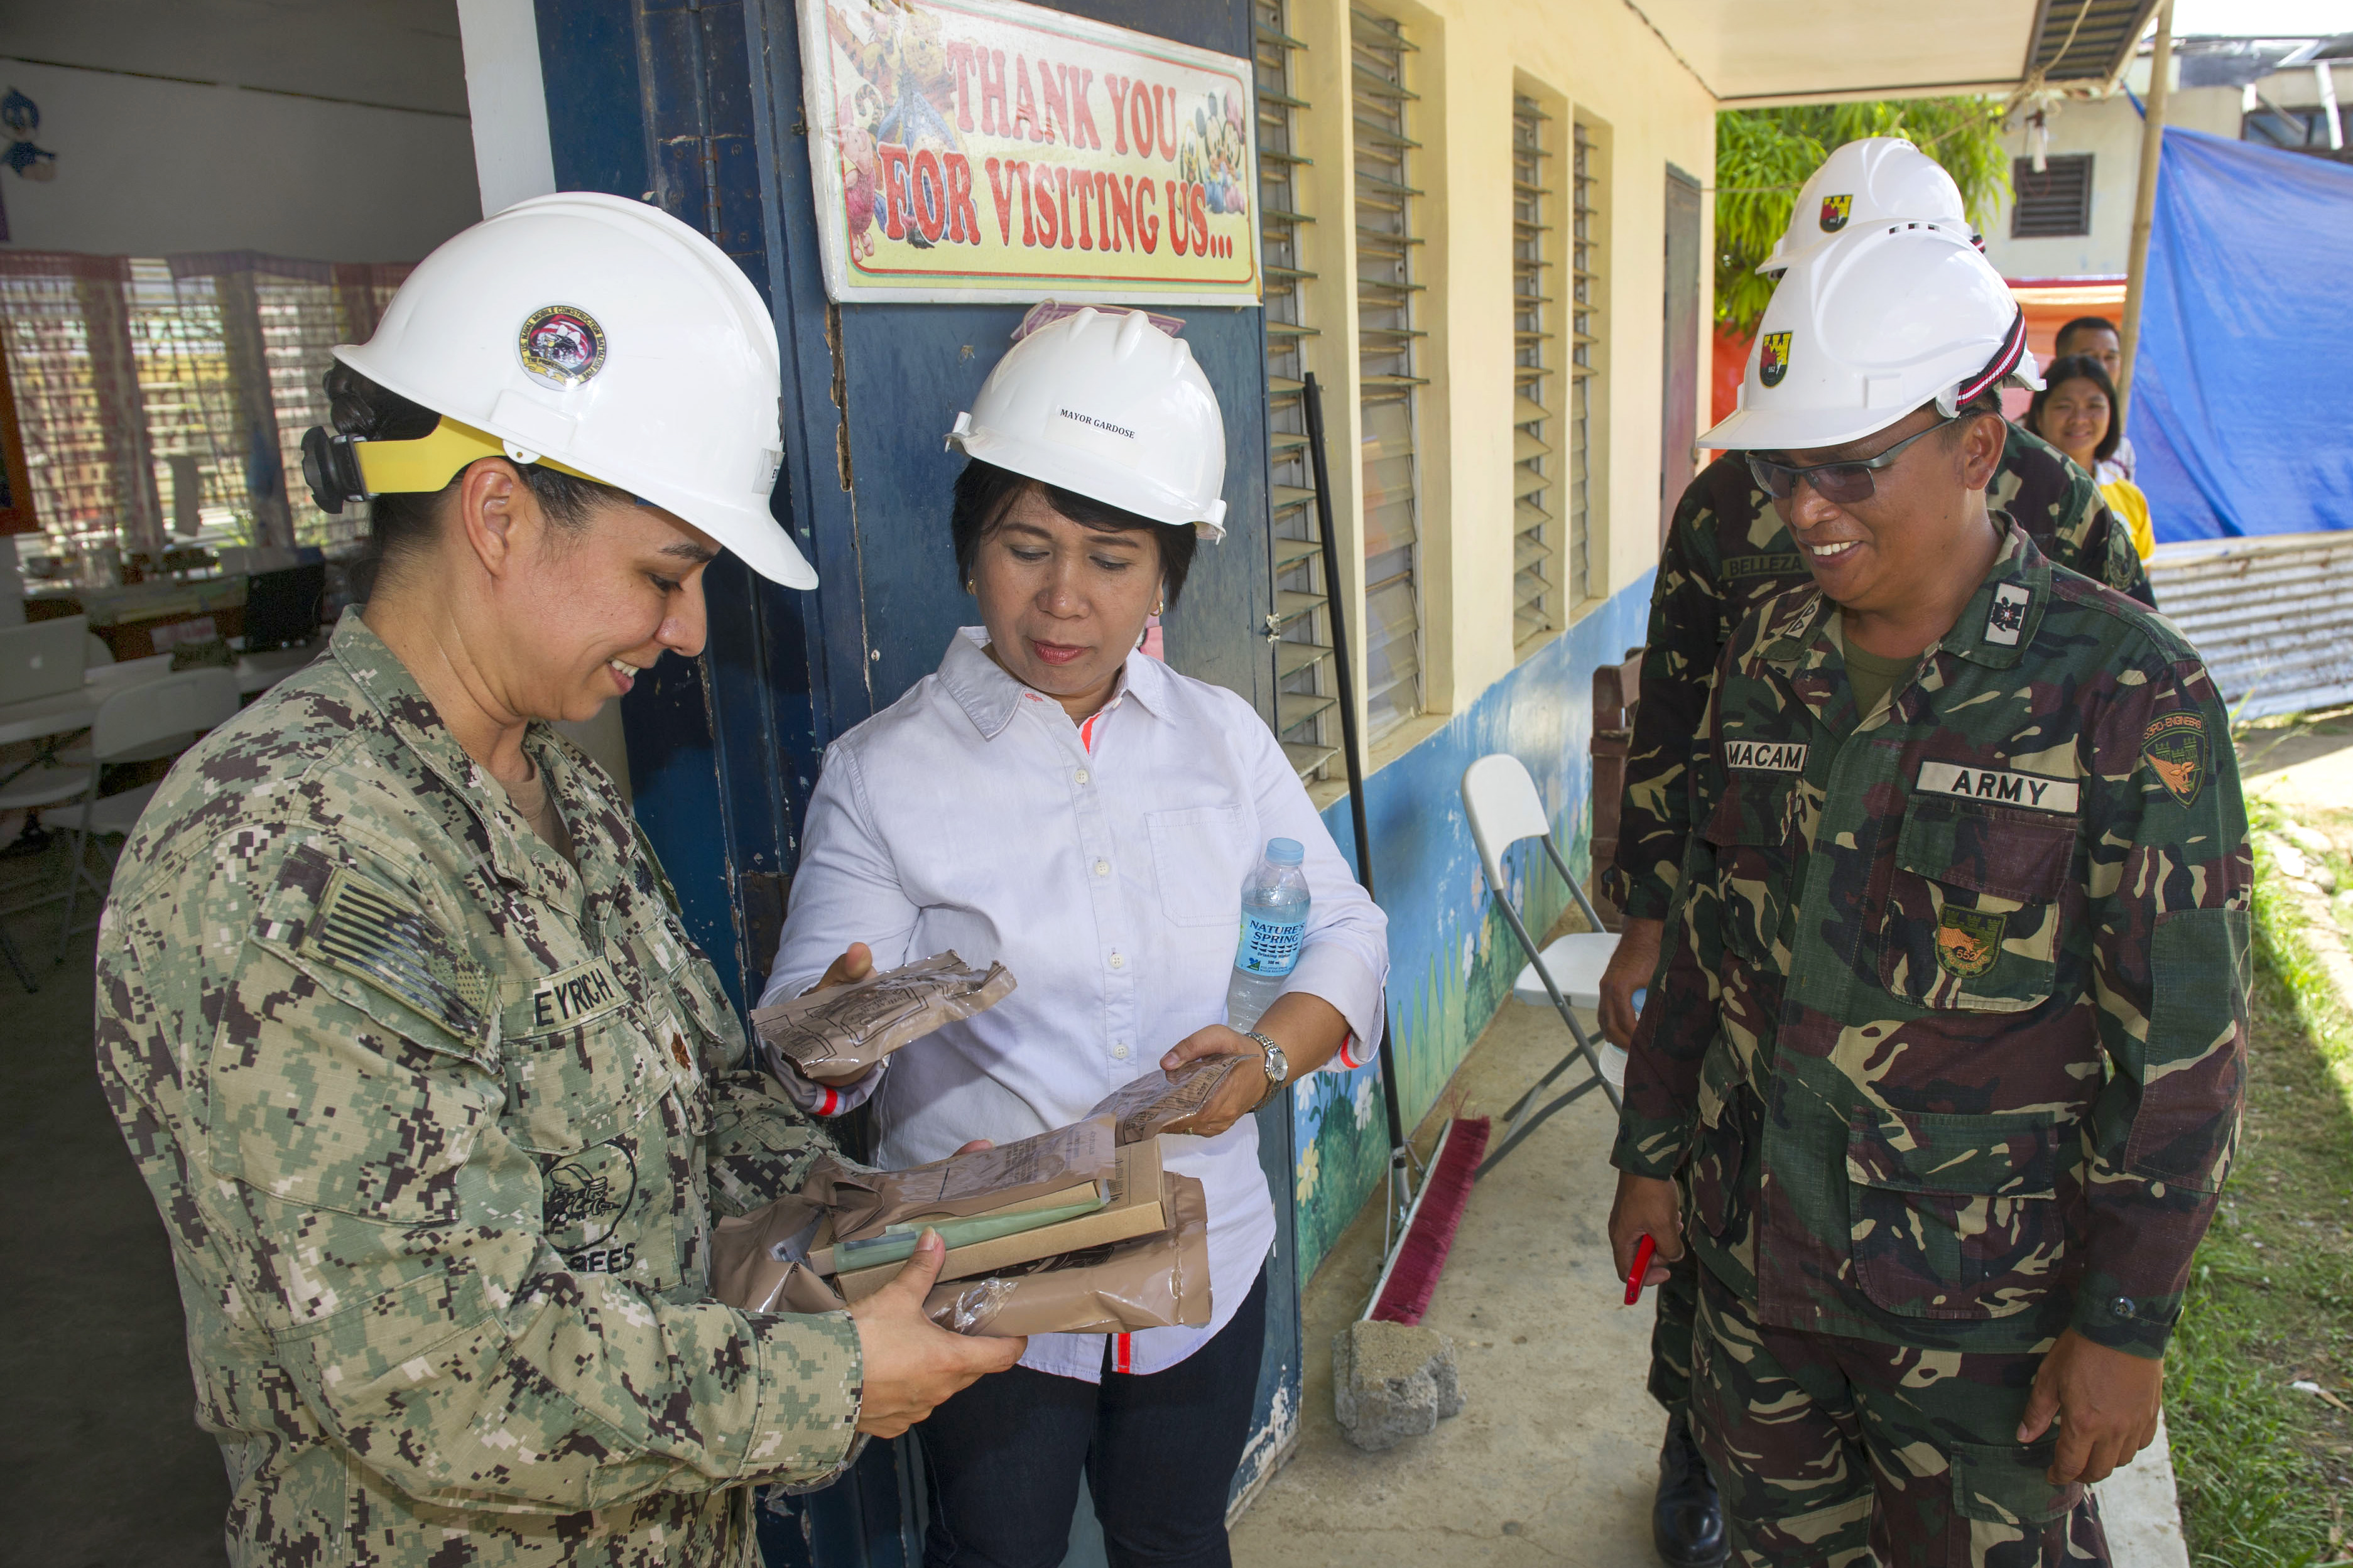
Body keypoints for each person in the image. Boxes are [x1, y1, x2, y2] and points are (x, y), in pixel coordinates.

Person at [92, 192, 1021, 1568]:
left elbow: (683, 1120)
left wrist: (903, 1208)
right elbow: (430, 1371)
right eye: (665, 572)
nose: (693, 629)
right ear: (497, 514)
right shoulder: (290, 854)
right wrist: (831, 1380)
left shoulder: (555, 787)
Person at [1607, 214, 2249, 1564]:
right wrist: (1652, 1153)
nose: (1802, 509)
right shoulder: (1766, 653)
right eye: (1785, 469)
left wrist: (2121, 1328)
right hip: (1757, 1287)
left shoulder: (2127, 694)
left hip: (1982, 1332)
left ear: (1974, 449)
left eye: (1849, 468)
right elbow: (1711, 949)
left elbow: (2182, 1059)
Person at [762, 306, 1388, 1568]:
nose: (1062, 600)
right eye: (1026, 547)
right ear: (970, 549)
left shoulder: (1222, 743)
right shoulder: (883, 775)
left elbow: (1347, 929)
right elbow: (808, 1041)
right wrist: (835, 1040)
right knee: (997, 1550)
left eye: (1111, 558)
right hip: (985, 1268)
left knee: (1172, 1535)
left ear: (1163, 574)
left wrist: (1263, 1062)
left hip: (1202, 1243)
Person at [2031, 354, 2155, 561]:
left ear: (2111, 415)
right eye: (2064, 406)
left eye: (2094, 406)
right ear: (2039, 416)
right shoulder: (2010, 491)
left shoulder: (2131, 498)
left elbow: (2139, 589)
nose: (2079, 419)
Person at [2052, 315, 2139, 484]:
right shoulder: (2016, 438)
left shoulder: (2122, 448)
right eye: (2089, 358)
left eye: (2110, 357)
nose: (2101, 367)